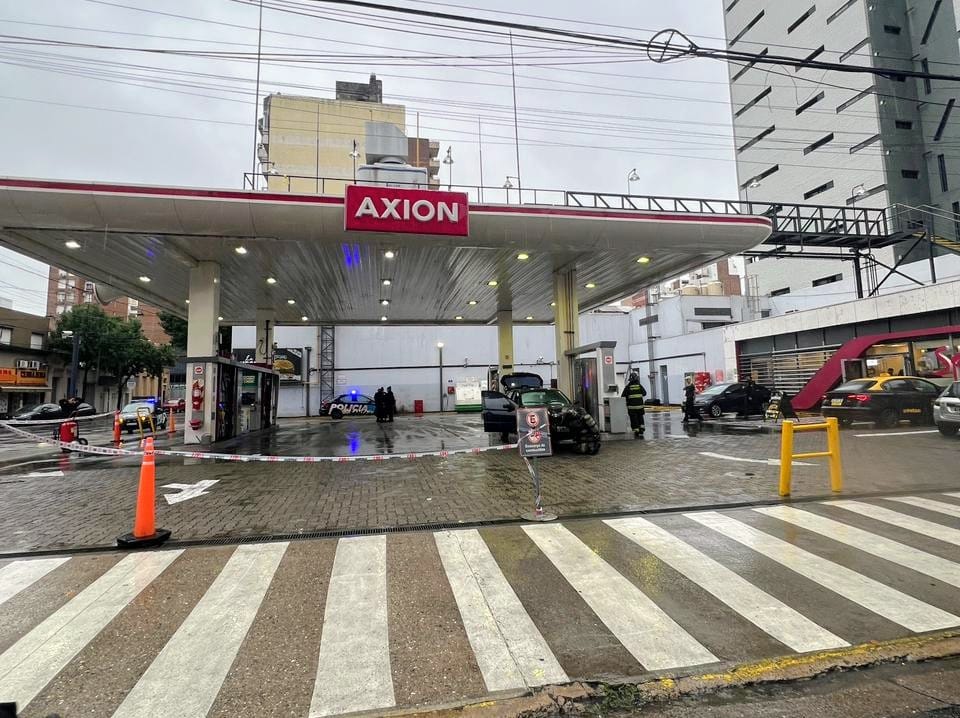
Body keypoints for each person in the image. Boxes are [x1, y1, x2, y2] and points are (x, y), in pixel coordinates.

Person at [621, 372, 647, 437]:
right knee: (640, 417)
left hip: (632, 408)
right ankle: (641, 429)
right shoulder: (639, 386)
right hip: (640, 407)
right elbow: (644, 393)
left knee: (633, 419)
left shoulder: (628, 387)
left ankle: (636, 431)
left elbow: (623, 396)